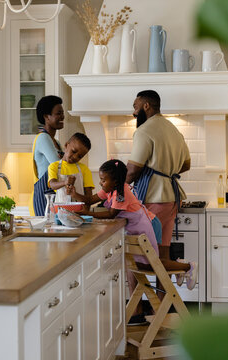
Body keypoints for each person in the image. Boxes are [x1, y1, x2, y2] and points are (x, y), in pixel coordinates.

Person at [68, 159, 197, 323]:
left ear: (115, 181)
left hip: (143, 228)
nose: (100, 183)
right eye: (100, 179)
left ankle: (186, 266)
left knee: (151, 264)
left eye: (103, 180)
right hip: (135, 230)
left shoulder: (121, 192)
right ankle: (179, 267)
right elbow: (90, 199)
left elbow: (111, 214)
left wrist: (85, 216)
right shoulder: (111, 189)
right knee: (144, 265)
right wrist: (74, 194)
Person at [127, 90, 191, 261]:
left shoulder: (144, 131)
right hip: (172, 198)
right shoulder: (174, 130)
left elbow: (133, 169)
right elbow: (186, 165)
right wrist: (167, 171)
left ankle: (137, 289)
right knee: (163, 255)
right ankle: (165, 286)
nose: (133, 112)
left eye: (135, 106)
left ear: (146, 105)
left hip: (154, 197)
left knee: (136, 254)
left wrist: (117, 189)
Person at [32, 95, 65, 216]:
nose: (62, 117)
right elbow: (58, 164)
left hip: (54, 191)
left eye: (62, 113)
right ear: (46, 116)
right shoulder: (43, 138)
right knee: (47, 230)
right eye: (58, 113)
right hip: (45, 194)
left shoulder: (56, 141)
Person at [47, 133, 94, 203]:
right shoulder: (54, 166)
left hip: (79, 212)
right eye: (74, 151)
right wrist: (65, 182)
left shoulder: (84, 169)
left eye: (80, 156)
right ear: (66, 145)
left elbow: (89, 199)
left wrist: (75, 195)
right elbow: (52, 185)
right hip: (60, 211)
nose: (75, 157)